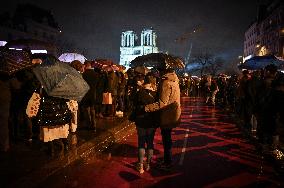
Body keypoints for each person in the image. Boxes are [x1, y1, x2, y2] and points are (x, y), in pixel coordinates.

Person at [145, 68, 181, 170]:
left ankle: (167, 162)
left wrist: (146, 108)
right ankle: (167, 160)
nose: (157, 71)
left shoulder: (166, 82)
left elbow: (162, 103)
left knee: (166, 139)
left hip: (167, 114)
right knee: (167, 138)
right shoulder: (174, 80)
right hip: (172, 114)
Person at [132, 74, 158, 173]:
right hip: (151, 122)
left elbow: (132, 102)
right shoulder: (155, 94)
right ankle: (148, 164)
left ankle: (140, 165)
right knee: (150, 143)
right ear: (152, 83)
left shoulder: (140, 93)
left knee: (141, 143)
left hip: (140, 121)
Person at [81, 61, 98, 132]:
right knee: (92, 110)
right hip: (93, 94)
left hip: (86, 94)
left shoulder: (84, 74)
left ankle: (89, 124)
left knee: (86, 110)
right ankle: (94, 125)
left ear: (85, 65)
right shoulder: (96, 74)